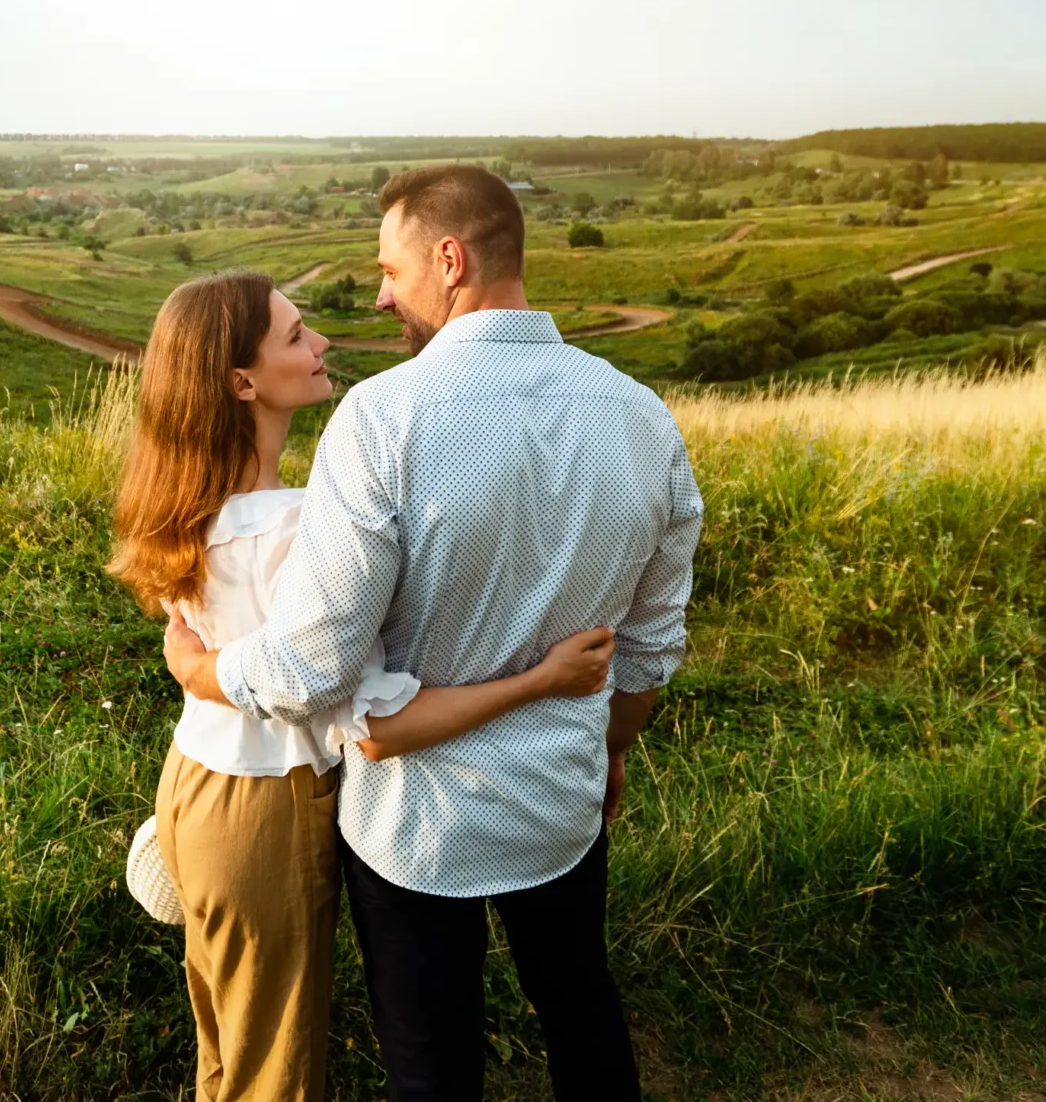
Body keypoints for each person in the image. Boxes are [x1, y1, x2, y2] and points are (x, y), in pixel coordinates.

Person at [163, 164, 702, 1102]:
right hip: (562, 801)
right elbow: (651, 647)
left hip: (414, 819)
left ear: (449, 261)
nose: (378, 293)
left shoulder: (383, 420)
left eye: (390, 269)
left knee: (430, 1061)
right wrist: (609, 748)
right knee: (579, 1007)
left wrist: (204, 668)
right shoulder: (642, 417)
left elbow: (316, 661)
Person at [109, 270, 624, 1102]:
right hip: (267, 804)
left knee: (226, 1047)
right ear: (241, 382)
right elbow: (376, 723)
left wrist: (203, 673)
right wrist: (539, 679)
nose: (321, 345)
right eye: (294, 335)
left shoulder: (184, 503)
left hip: (196, 786)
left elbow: (214, 657)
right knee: (272, 1066)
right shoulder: (296, 527)